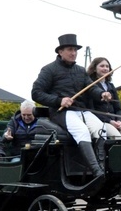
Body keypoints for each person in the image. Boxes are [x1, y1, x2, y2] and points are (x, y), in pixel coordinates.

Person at [31, 34, 105, 178]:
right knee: (82, 131)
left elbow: (91, 88)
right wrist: (59, 101)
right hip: (62, 113)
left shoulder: (81, 70)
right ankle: (96, 171)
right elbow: (36, 93)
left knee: (101, 129)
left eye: (75, 50)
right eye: (70, 50)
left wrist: (101, 94)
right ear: (60, 52)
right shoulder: (49, 70)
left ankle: (102, 166)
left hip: (81, 111)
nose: (73, 53)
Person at [86, 57, 121, 139]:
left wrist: (119, 121)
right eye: (102, 66)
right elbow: (92, 110)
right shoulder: (91, 86)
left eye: (107, 66)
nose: (105, 68)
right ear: (94, 69)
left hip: (116, 122)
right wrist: (110, 121)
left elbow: (118, 108)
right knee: (117, 138)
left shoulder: (111, 86)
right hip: (102, 122)